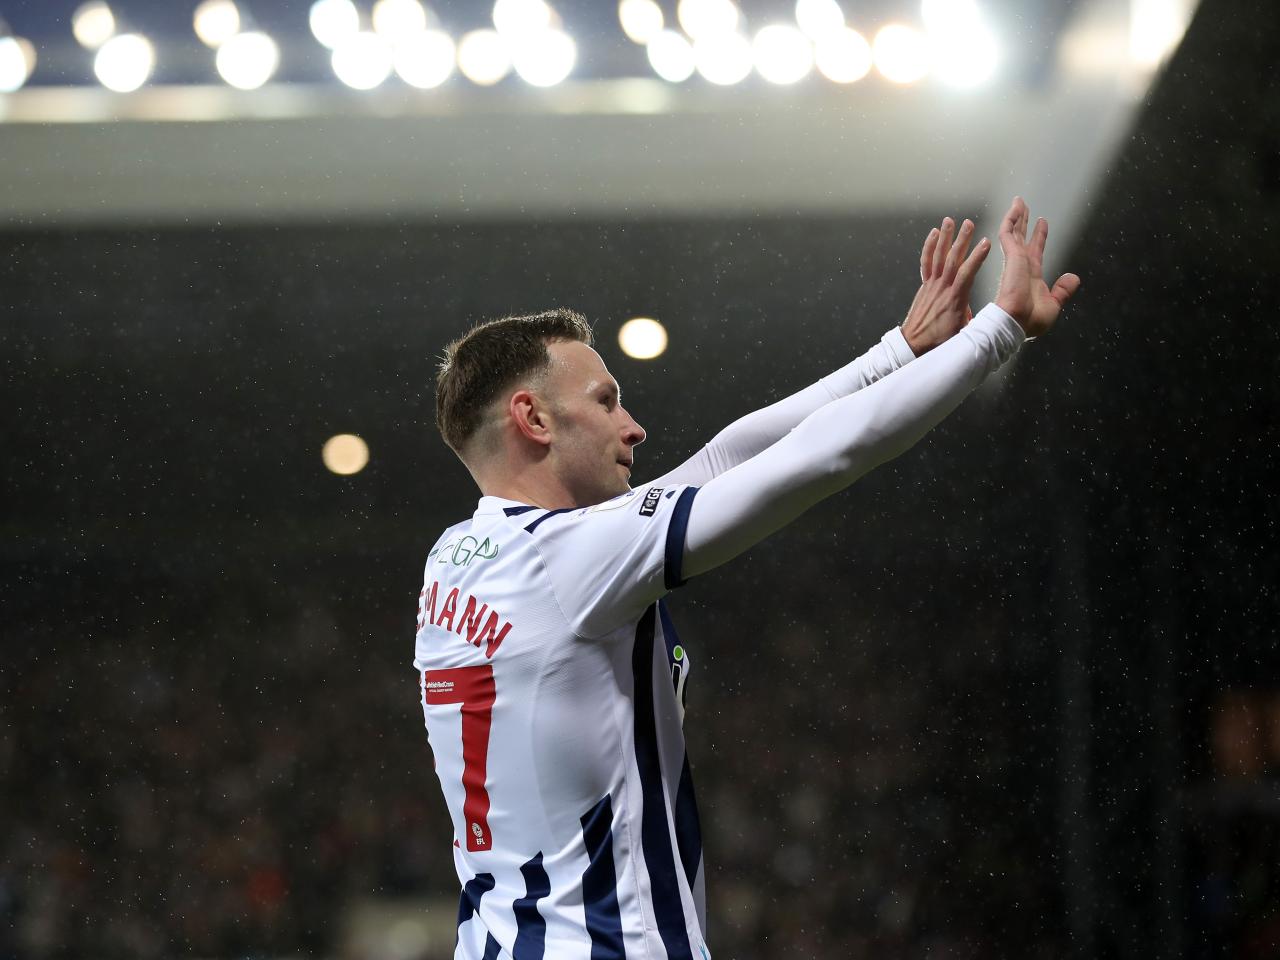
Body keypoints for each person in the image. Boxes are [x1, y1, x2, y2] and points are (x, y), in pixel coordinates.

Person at [414, 197, 1079, 959]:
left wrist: (899, 351)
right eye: (605, 402)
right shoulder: (567, 559)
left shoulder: (460, 557)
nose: (632, 427)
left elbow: (724, 458)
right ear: (533, 419)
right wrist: (999, 331)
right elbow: (815, 459)